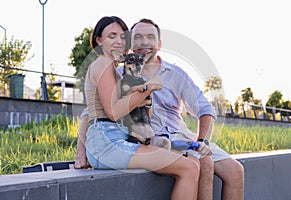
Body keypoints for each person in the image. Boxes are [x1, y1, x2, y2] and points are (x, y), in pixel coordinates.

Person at [82, 16, 201, 200]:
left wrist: (145, 97)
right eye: (112, 36)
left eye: (122, 37)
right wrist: (148, 88)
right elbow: (113, 112)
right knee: (188, 168)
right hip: (108, 143)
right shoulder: (103, 63)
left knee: (191, 164)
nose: (118, 42)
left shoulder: (112, 68)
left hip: (115, 140)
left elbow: (98, 112)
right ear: (98, 40)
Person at [129, 18, 245, 200]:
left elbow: (205, 109)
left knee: (235, 170)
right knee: (204, 163)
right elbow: (94, 111)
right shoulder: (120, 75)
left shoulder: (176, 74)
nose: (144, 42)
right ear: (130, 44)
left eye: (150, 37)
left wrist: (203, 142)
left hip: (181, 136)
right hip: (153, 141)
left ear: (159, 44)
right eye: (138, 37)